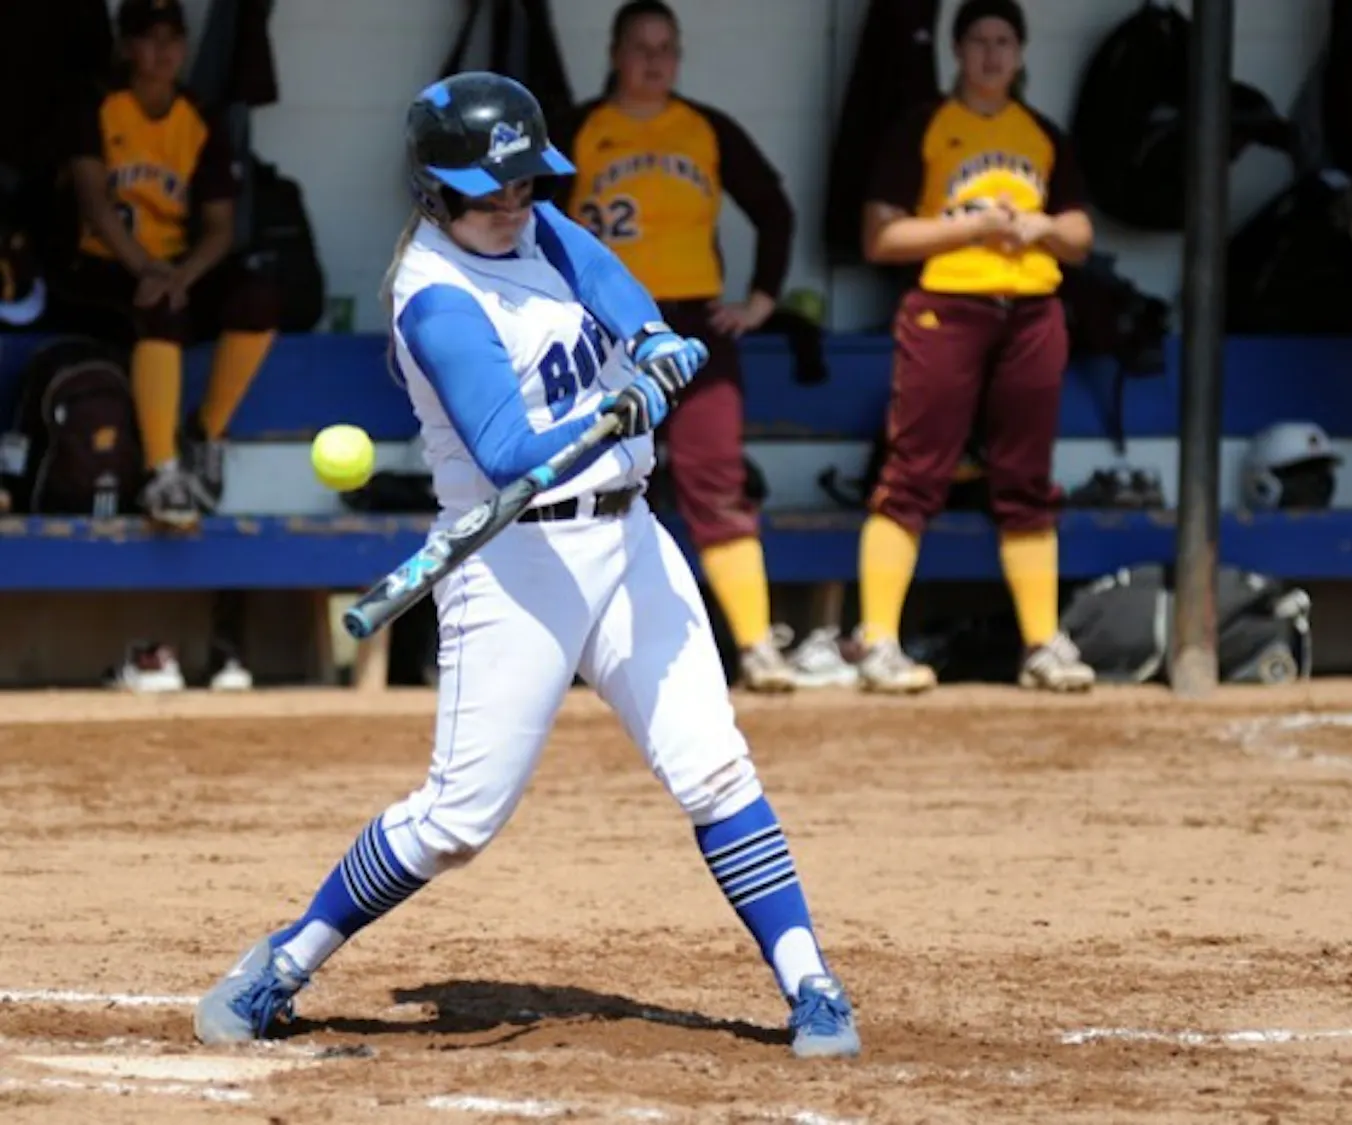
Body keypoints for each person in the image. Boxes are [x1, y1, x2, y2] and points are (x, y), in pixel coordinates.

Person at [193, 72, 860, 1060]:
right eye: (489, 192)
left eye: (522, 186)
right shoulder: (435, 297)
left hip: (628, 536)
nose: (513, 207)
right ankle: (285, 964)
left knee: (714, 766)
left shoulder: (536, 225)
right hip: (515, 564)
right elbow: (508, 452)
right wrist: (616, 409)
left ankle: (811, 983)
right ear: (435, 194)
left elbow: (605, 279)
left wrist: (652, 339)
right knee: (459, 819)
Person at [554, 0, 844, 692]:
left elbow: (774, 208)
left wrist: (761, 302)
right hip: (607, 333)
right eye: (640, 46)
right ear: (615, 53)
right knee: (587, 481)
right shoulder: (581, 129)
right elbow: (536, 225)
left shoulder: (706, 129)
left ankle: (755, 645)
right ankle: (570, 653)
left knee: (717, 479)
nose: (654, 60)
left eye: (667, 48)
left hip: (693, 331)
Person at [854, 0, 1096, 694]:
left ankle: (1042, 642)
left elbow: (1080, 235)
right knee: (914, 472)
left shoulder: (1041, 133)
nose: (992, 55)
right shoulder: (926, 126)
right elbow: (881, 236)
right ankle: (877, 639)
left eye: (1004, 42)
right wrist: (974, 228)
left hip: (1031, 309)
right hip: (947, 307)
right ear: (958, 51)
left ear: (1020, 54)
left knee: (1025, 479)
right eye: (980, 41)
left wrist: (1039, 228)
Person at [55, 0, 279, 529]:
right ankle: (163, 470)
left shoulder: (198, 117)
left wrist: (183, 274)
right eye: (149, 38)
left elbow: (220, 227)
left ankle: (206, 433)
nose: (164, 51)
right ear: (127, 46)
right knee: (160, 306)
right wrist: (149, 270)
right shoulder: (99, 106)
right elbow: (93, 200)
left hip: (176, 268)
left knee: (259, 294)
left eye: (173, 38)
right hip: (102, 267)